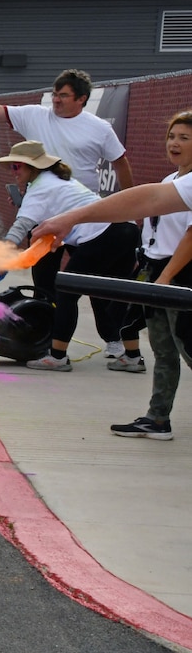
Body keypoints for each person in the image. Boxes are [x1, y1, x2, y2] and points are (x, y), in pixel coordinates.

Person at [0, 140, 142, 371]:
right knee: (112, 293)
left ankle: (58, 356)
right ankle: (131, 356)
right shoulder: (61, 180)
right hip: (127, 229)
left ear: (33, 167)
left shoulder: (40, 187)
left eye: (17, 167)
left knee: (66, 292)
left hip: (103, 234)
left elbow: (21, 226)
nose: (13, 173)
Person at [101, 111, 192, 439]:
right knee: (163, 350)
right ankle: (157, 419)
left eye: (184, 137)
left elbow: (191, 237)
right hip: (156, 269)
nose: (175, 143)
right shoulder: (170, 182)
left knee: (188, 347)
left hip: (180, 273)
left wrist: (166, 278)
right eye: (172, 136)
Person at [0, 70, 133, 196]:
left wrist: (129, 203)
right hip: (42, 203)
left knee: (86, 260)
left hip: (82, 204)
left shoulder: (100, 128)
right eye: (54, 94)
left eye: (63, 96)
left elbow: (120, 163)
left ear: (82, 99)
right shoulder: (34, 115)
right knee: (43, 261)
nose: (56, 100)